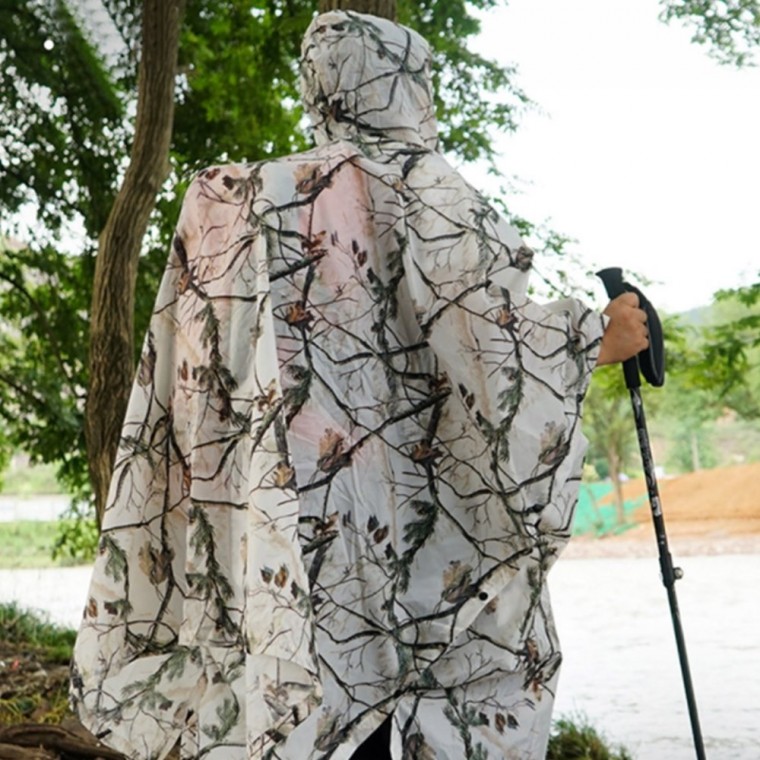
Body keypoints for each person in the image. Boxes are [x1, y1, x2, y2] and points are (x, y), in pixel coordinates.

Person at [71, 10, 648, 760]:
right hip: (396, 525)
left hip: (273, 517)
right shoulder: (423, 189)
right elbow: (490, 347)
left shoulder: (231, 201)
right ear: (404, 87)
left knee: (314, 690)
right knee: (407, 681)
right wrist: (599, 339)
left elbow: (188, 388)